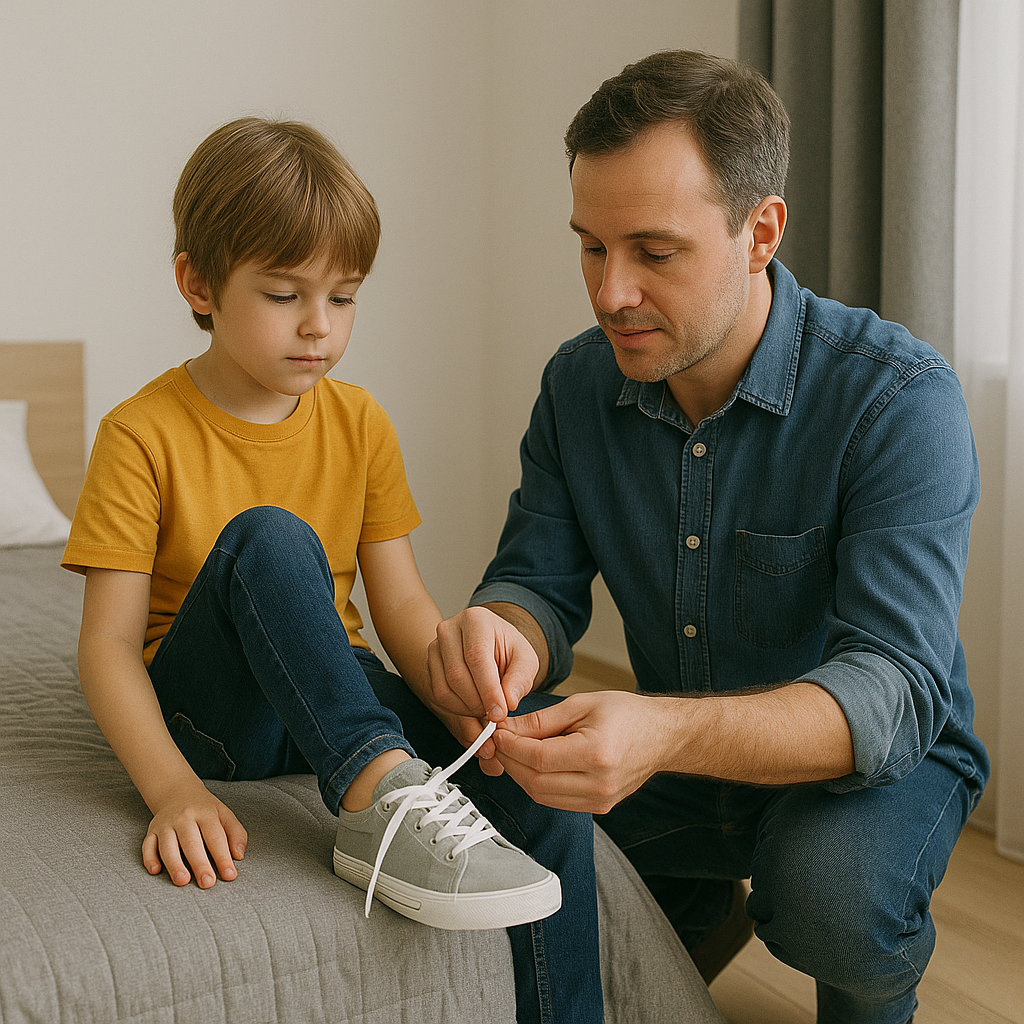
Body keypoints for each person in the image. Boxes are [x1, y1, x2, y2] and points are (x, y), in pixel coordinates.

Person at [427, 51, 990, 1024]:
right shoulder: (577, 384)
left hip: (869, 767)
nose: (611, 292)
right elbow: (536, 580)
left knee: (832, 898)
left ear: (759, 232)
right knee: (489, 819)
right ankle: (689, 904)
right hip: (676, 754)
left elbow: (892, 693)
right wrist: (499, 630)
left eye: (653, 252)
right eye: (591, 247)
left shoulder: (899, 399)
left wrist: (662, 732)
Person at [61, 117, 604, 1024]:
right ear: (198, 284)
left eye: (344, 298)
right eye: (284, 295)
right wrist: (173, 790)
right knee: (271, 539)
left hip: (330, 691)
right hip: (213, 716)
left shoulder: (360, 423)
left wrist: (472, 707)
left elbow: (401, 608)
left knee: (534, 761)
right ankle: (377, 798)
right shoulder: (139, 434)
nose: (319, 326)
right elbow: (107, 647)